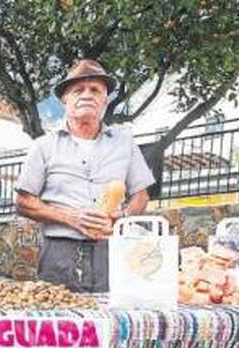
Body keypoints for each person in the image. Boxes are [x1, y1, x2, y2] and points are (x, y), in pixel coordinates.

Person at [14, 58, 155, 292]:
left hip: (110, 248)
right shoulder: (43, 146)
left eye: (95, 90)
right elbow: (23, 202)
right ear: (65, 100)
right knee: (59, 323)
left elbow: (141, 196)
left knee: (113, 322)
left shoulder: (125, 143)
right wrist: (71, 218)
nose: (87, 95)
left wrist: (119, 217)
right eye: (78, 90)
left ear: (105, 101)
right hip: (59, 252)